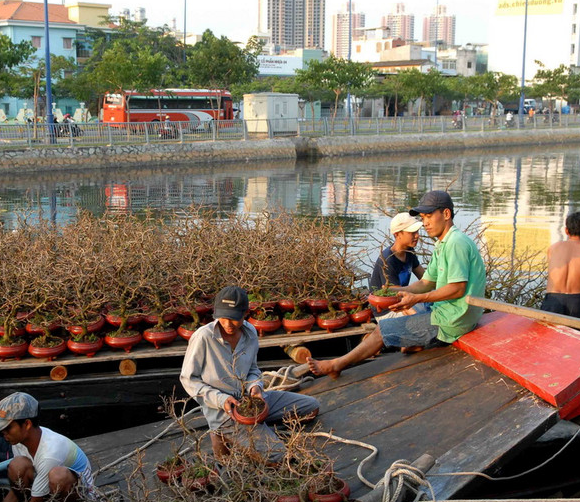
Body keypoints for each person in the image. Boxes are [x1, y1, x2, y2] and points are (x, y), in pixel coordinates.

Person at [308, 191, 486, 377]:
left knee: (381, 331)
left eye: (429, 216)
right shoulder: (442, 244)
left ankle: (335, 365)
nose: (425, 223)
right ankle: (413, 341)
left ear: (446, 215)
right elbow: (427, 282)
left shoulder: (456, 243)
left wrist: (418, 298)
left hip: (452, 321)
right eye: (423, 218)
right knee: (413, 314)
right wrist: (403, 293)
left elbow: (458, 289)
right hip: (450, 313)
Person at [180, 286, 319, 460]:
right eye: (223, 318)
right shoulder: (203, 337)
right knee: (277, 457)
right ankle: (224, 432)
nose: (228, 324)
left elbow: (252, 369)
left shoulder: (250, 332)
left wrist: (256, 387)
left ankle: (256, 427)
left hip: (250, 401)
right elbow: (188, 379)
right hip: (223, 410)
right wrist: (221, 399)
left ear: (245, 313)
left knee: (310, 407)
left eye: (234, 319)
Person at [0, 392, 95, 502]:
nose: (3, 433)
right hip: (49, 494)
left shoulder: (50, 452)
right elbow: (17, 490)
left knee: (58, 476)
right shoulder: (19, 441)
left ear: (27, 424)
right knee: (17, 465)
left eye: (8, 427)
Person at [541, 212, 580, 319]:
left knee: (549, 334)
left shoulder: (553, 249)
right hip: (576, 303)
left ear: (566, 230)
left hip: (553, 300)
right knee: (575, 334)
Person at [368, 212, 426, 291]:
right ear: (397, 234)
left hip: (403, 297)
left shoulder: (409, 251)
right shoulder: (388, 259)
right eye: (412, 233)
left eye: (417, 231)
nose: (417, 236)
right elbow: (393, 291)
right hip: (386, 301)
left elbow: (424, 277)